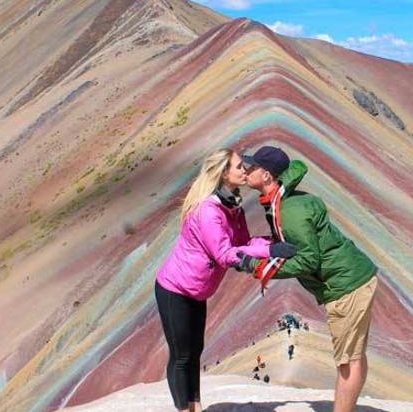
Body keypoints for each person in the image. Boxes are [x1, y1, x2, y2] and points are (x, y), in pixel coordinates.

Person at [154, 149, 297, 412]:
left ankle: (195, 405)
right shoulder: (209, 210)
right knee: (182, 355)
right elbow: (224, 254)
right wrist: (269, 252)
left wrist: (271, 244)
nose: (245, 170)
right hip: (175, 289)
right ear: (224, 173)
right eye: (240, 167)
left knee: (195, 350)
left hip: (197, 291)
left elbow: (243, 244)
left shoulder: (231, 206)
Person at [239, 146, 379, 412]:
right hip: (352, 279)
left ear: (267, 176)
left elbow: (307, 259)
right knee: (354, 355)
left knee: (347, 360)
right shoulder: (284, 203)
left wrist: (259, 268)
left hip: (345, 286)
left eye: (251, 167)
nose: (246, 171)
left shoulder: (288, 211)